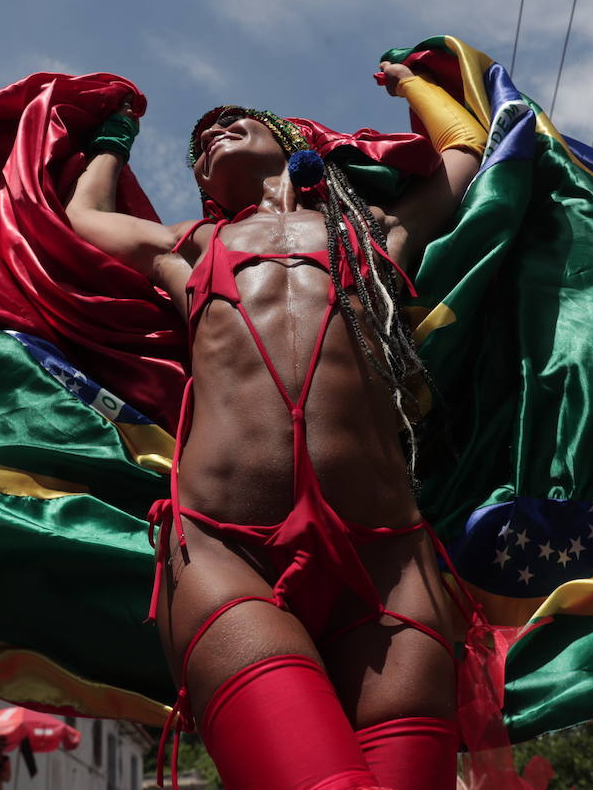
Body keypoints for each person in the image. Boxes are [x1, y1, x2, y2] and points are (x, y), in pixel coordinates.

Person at [63, 62, 486, 790]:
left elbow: (463, 157)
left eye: (235, 121)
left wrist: (412, 80)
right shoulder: (189, 247)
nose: (212, 134)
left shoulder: (378, 232)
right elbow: (85, 220)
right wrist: (112, 140)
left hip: (390, 563)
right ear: (200, 184)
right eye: (199, 142)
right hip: (225, 554)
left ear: (289, 140)